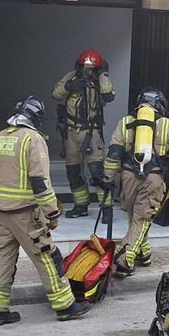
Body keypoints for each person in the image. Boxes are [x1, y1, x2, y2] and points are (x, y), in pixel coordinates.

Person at [0, 96, 91, 326]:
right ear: (36, 118)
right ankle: (65, 306)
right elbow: (40, 182)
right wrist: (52, 212)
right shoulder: (33, 139)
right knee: (48, 256)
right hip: (25, 213)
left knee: (4, 257)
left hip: (0, 212)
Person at [103, 89, 169, 277]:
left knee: (136, 216)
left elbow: (114, 153)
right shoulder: (167, 125)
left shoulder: (125, 122)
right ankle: (126, 259)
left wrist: (108, 179)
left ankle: (145, 253)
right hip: (153, 178)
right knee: (142, 218)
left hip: (127, 177)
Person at [51, 50, 115, 218]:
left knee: (97, 171)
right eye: (84, 68)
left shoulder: (100, 81)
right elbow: (55, 94)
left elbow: (109, 96)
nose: (87, 72)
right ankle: (81, 205)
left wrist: (103, 75)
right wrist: (69, 87)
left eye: (91, 69)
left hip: (91, 134)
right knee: (73, 172)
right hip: (71, 133)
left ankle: (106, 209)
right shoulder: (71, 76)